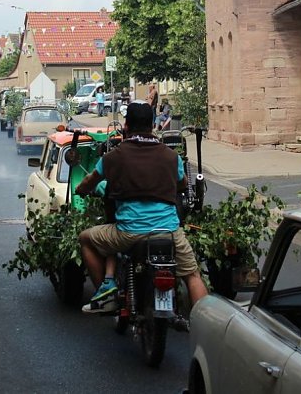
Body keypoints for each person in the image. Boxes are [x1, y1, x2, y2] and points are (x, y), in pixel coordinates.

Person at [75, 102, 207, 313]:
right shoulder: (171, 157)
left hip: (128, 234)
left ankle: (107, 295)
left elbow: (89, 182)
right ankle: (206, 328)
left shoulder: (112, 158)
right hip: (169, 232)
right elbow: (182, 185)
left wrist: (81, 189)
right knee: (192, 275)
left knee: (85, 238)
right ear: (153, 125)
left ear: (126, 126)